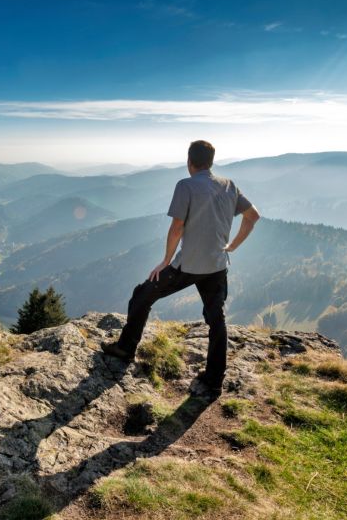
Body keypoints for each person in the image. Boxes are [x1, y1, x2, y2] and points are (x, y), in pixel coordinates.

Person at [102, 140, 260, 397]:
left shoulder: (185, 185)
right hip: (217, 265)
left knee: (143, 294)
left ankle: (126, 348)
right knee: (216, 319)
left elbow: (177, 227)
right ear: (211, 160)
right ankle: (214, 381)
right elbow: (253, 216)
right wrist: (233, 246)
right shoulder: (230, 185)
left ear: (189, 161)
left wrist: (165, 260)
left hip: (187, 265)